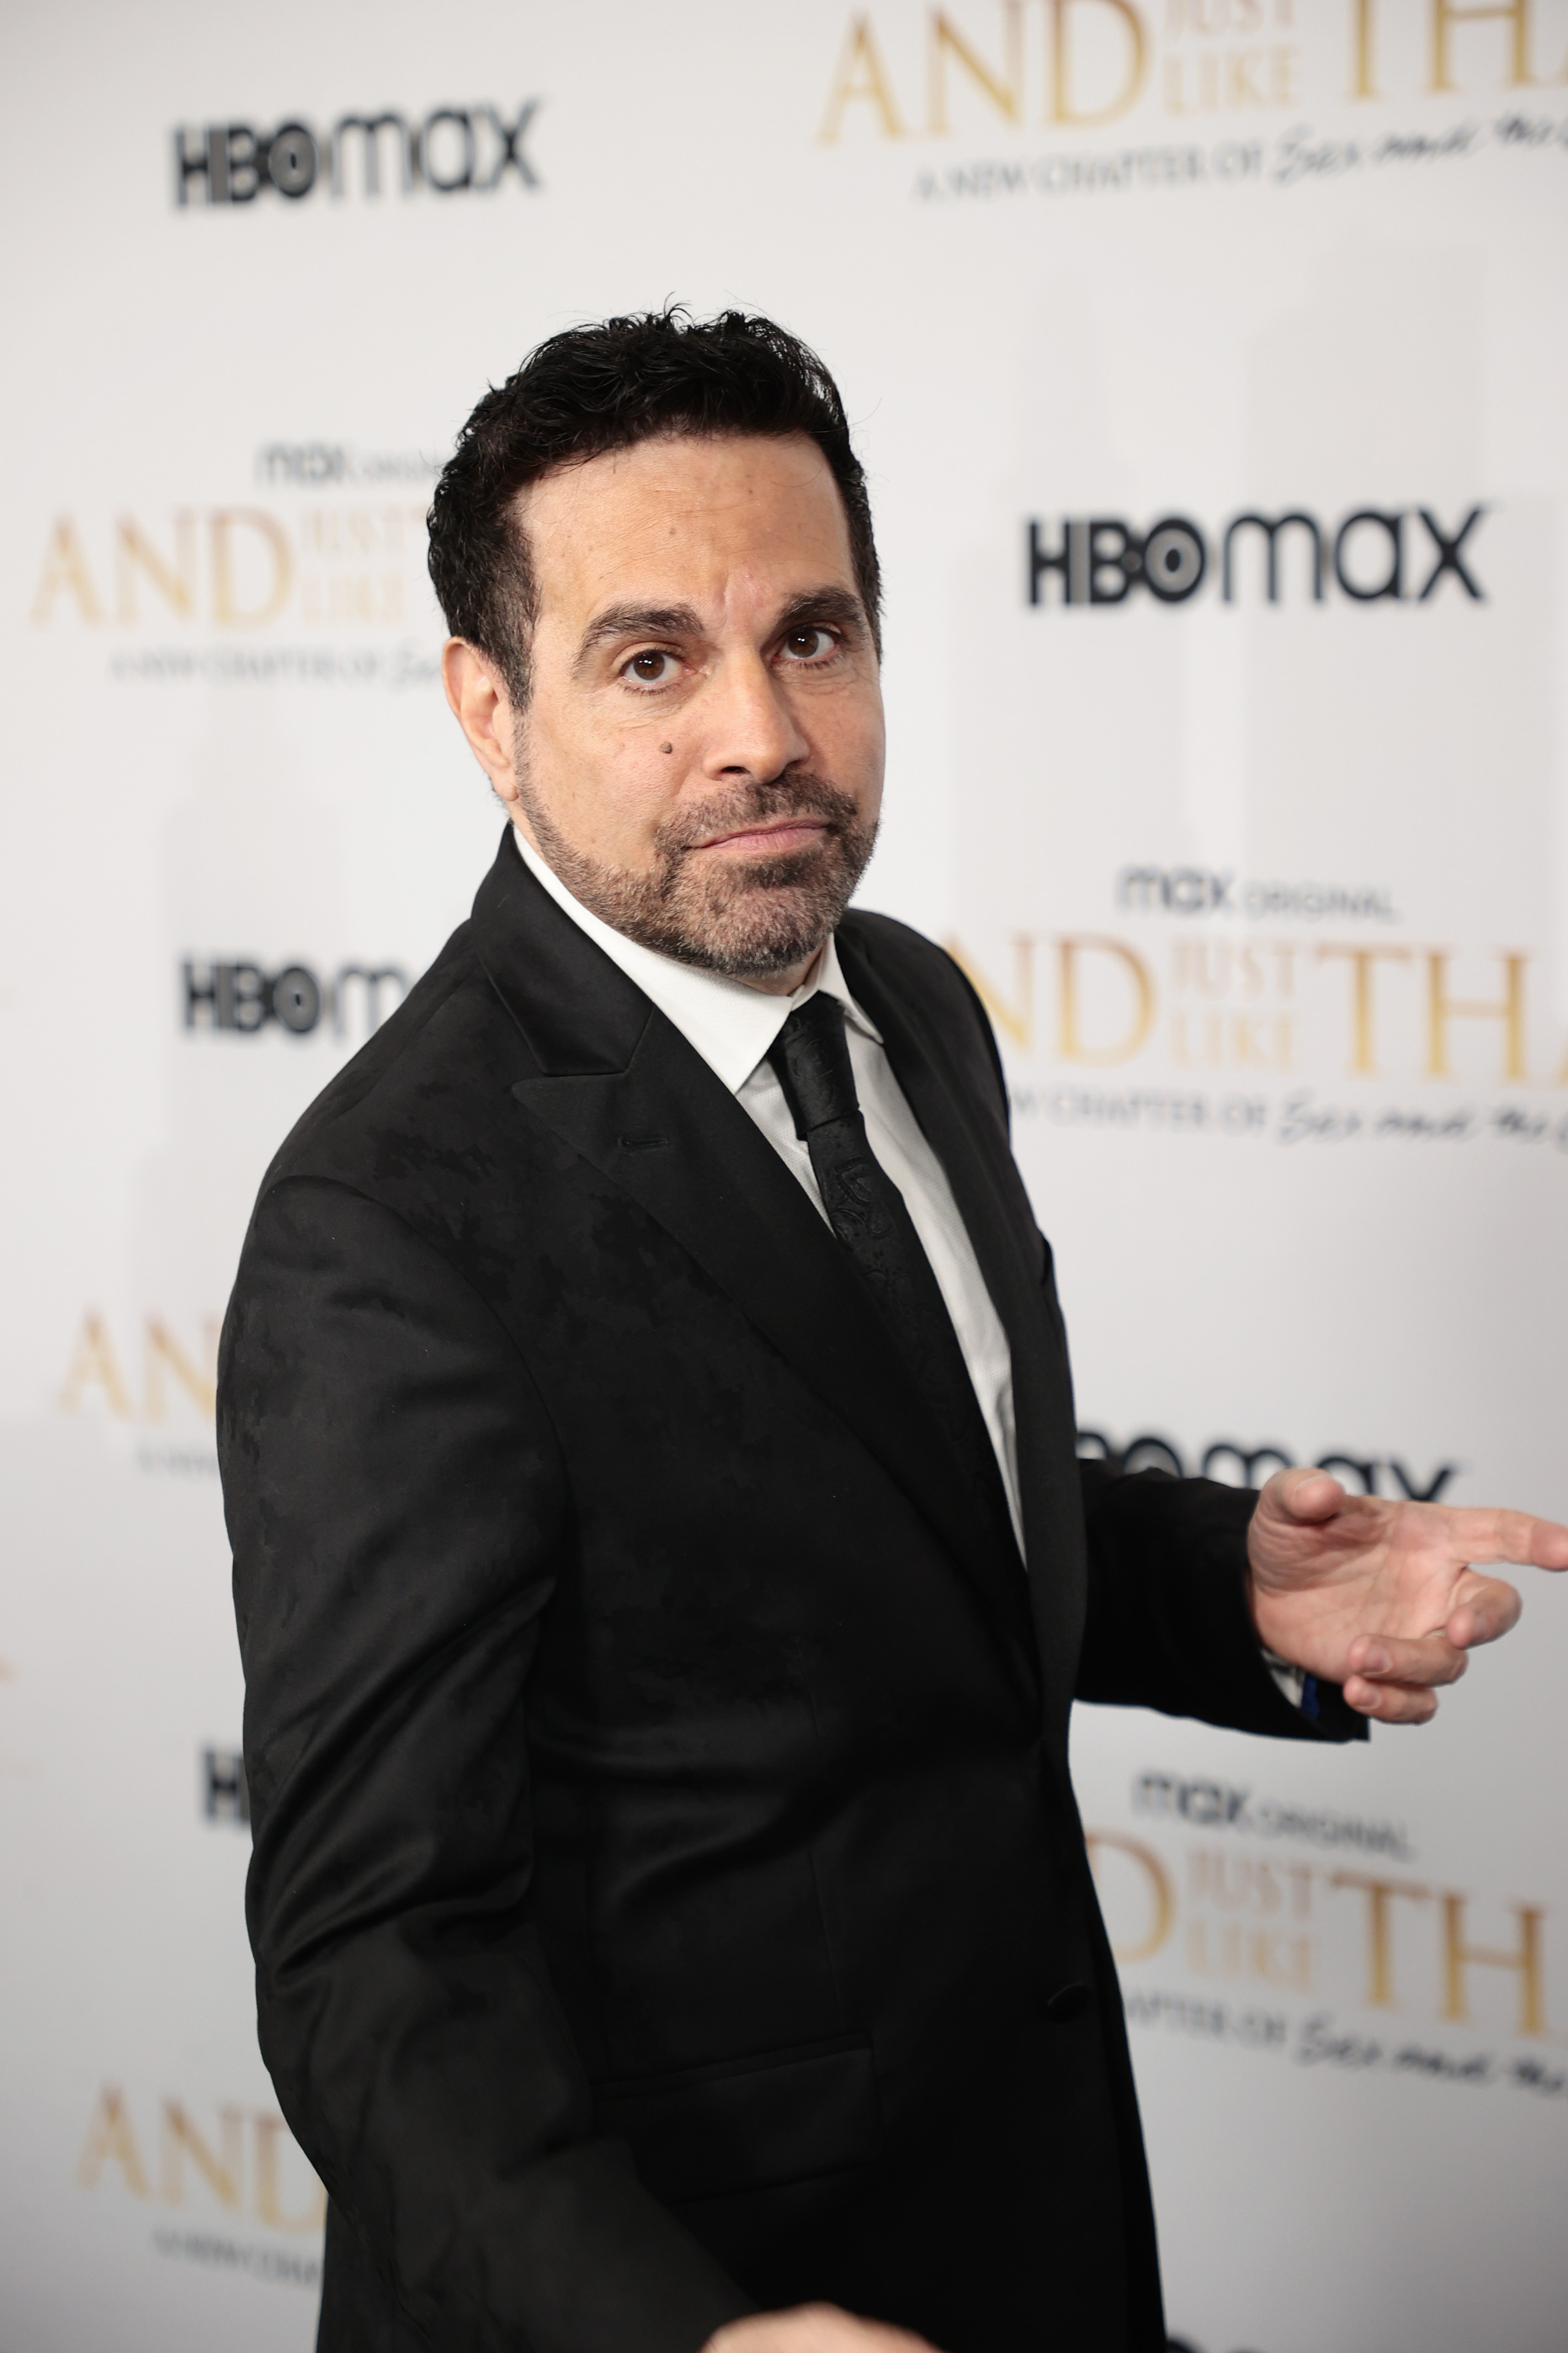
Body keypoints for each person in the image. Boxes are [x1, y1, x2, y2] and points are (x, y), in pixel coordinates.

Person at [218, 310, 1567, 2353]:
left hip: (1030, 2221)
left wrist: (1223, 1582)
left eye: (814, 637)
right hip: (695, 2288)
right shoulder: (390, 1215)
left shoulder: (910, 1007)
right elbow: (372, 1954)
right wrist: (682, 2337)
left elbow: (883, 1508)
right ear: (489, 711)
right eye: (652, 660)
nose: (761, 731)